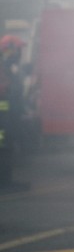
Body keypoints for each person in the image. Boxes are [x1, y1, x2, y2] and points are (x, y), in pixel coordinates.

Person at [0, 34, 26, 187]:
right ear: (9, 51)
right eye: (18, 50)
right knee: (3, 148)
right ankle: (4, 182)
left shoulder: (8, 69)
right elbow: (5, 97)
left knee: (6, 147)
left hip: (7, 119)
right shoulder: (3, 70)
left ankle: (6, 180)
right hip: (2, 122)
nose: (20, 54)